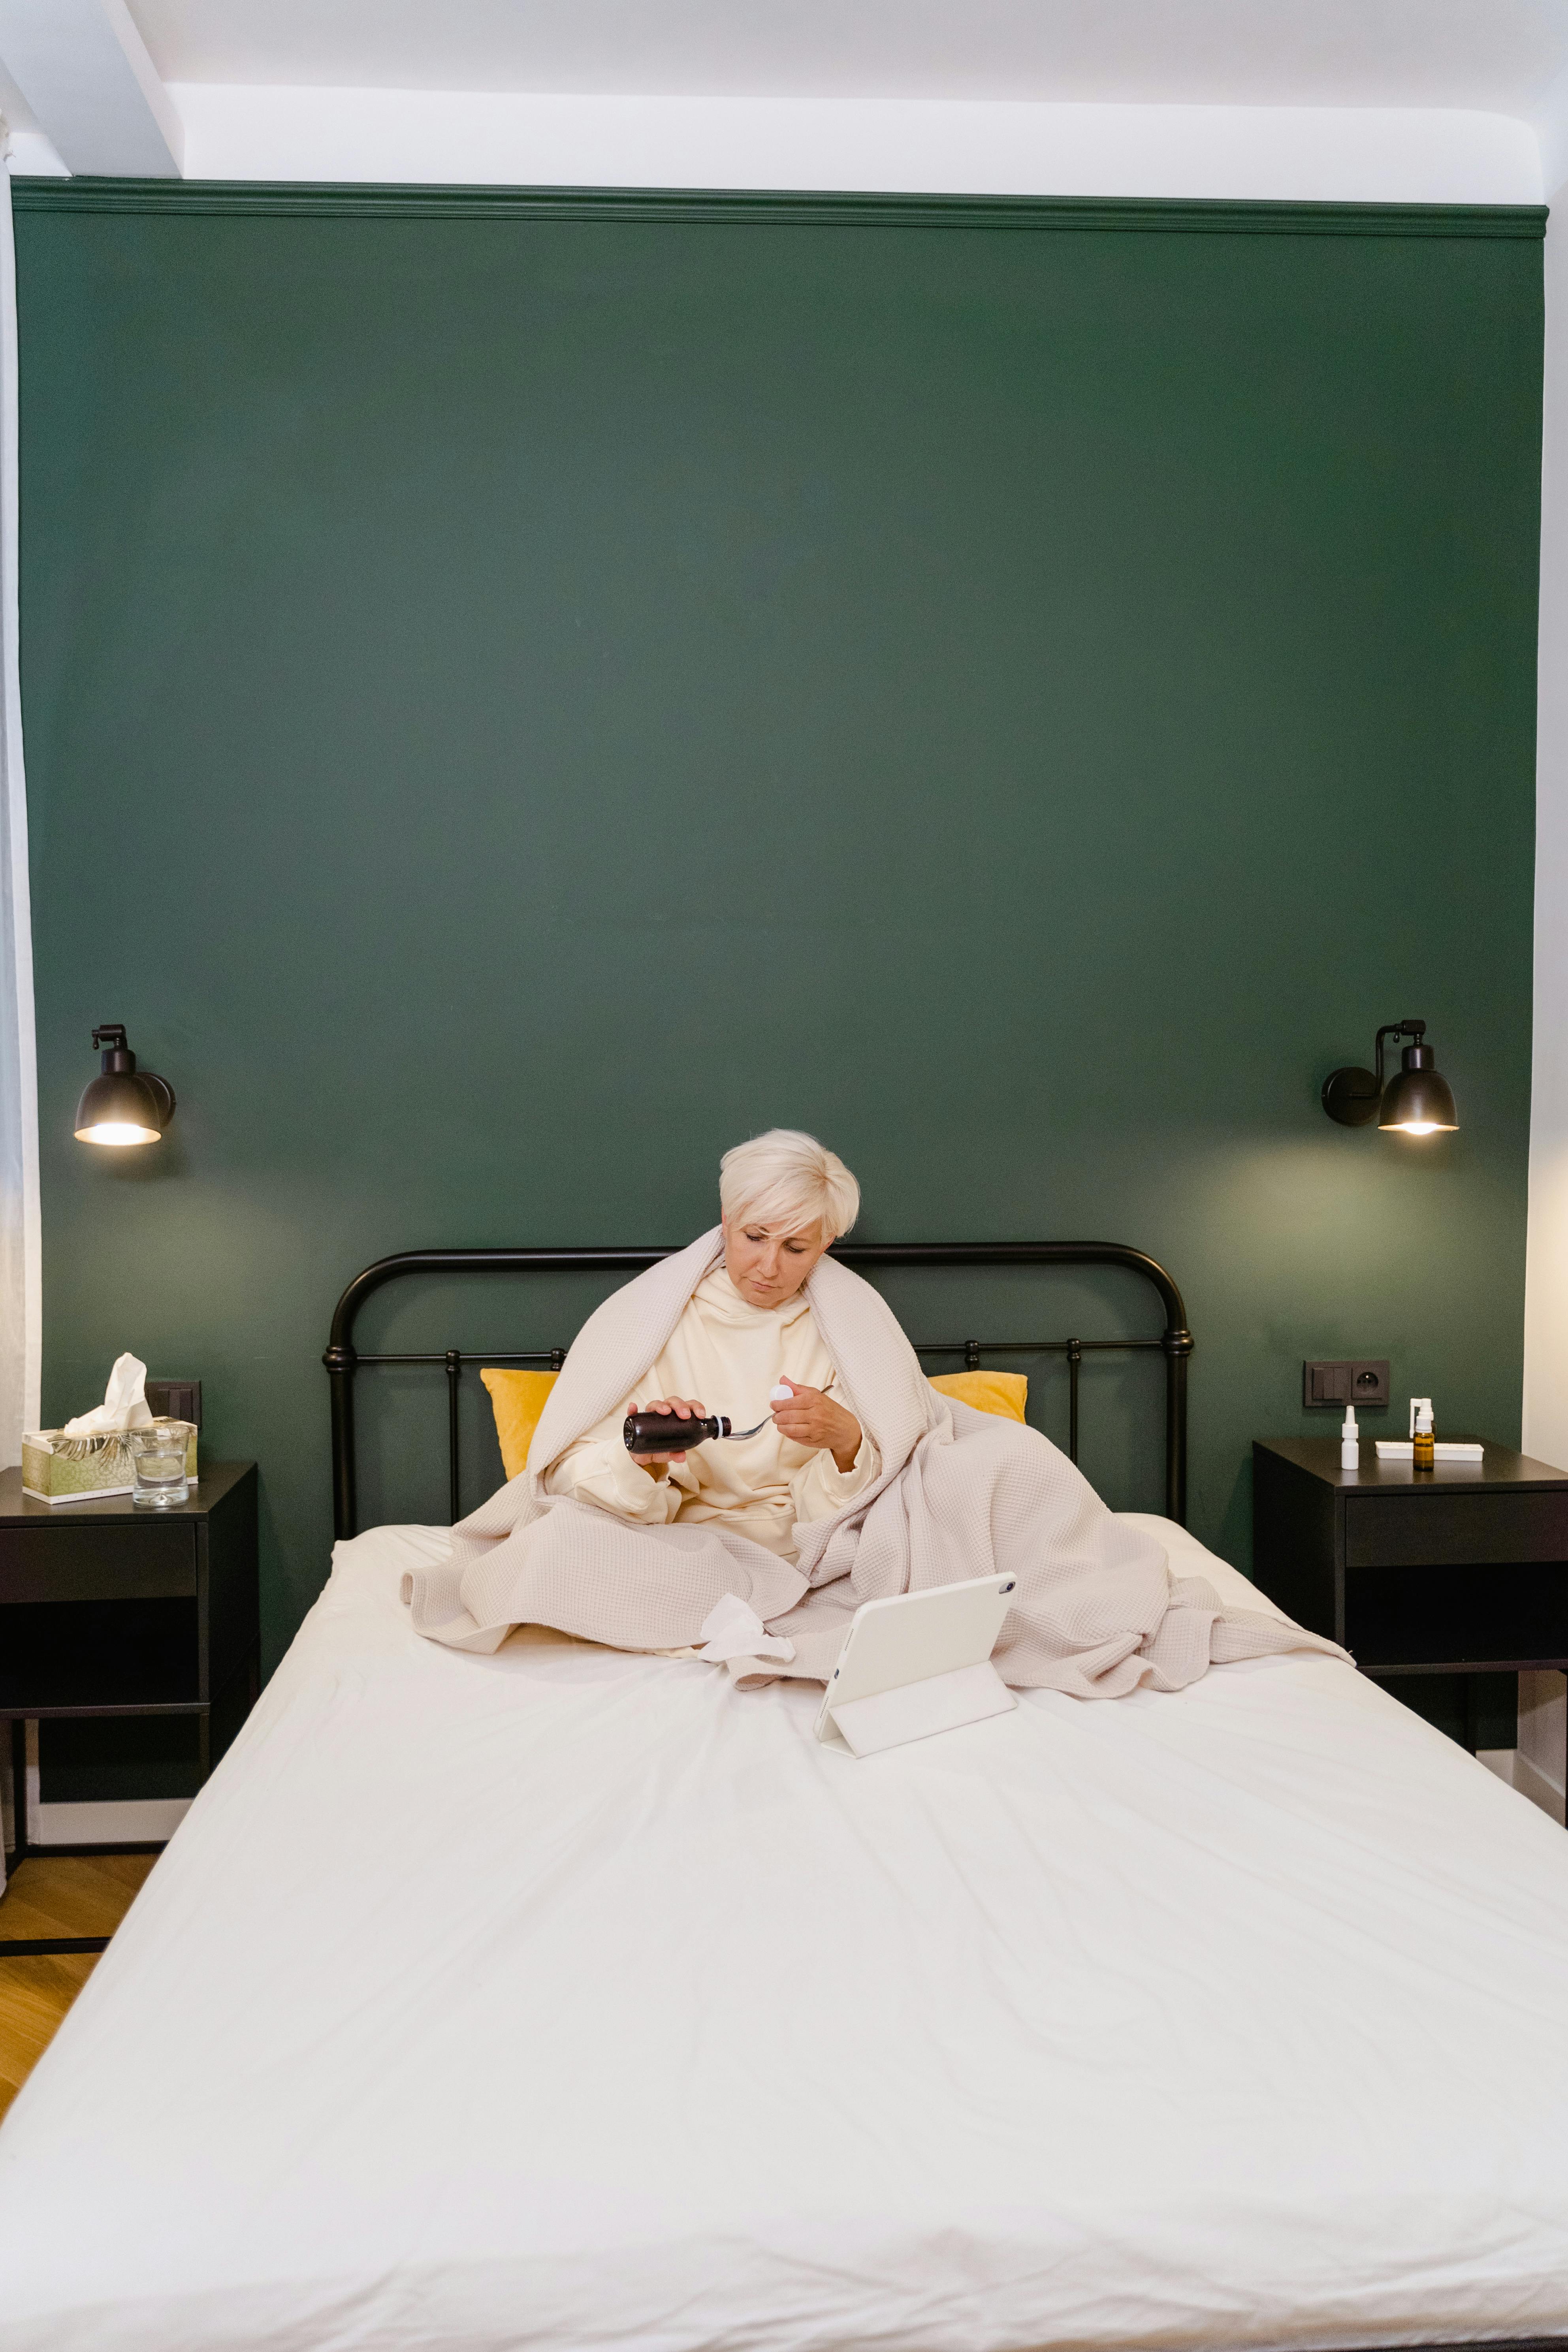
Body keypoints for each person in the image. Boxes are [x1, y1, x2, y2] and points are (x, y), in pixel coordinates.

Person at [543, 1131, 877, 1562]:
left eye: (795, 1248)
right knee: (556, 1554)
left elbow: (905, 1470)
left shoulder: (853, 1328)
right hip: (674, 1549)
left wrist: (848, 1442)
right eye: (755, 1237)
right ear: (727, 1218)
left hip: (811, 1550)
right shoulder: (647, 1319)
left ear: (825, 1243)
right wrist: (641, 1462)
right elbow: (566, 1479)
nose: (769, 1267)